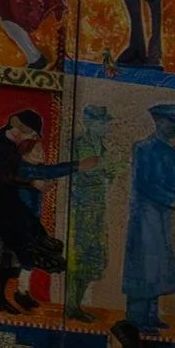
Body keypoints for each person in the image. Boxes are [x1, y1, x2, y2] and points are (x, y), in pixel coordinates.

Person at [0, 109, 76, 315]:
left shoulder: (12, 147)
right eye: (30, 135)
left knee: (20, 255)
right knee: (7, 256)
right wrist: (33, 181)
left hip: (18, 210)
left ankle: (17, 294)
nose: (36, 146)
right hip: (7, 209)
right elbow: (7, 176)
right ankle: (1, 298)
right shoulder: (1, 146)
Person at [122, 103, 175, 332]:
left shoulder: (171, 152)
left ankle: (151, 315)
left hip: (162, 218)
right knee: (143, 268)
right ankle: (136, 319)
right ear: (159, 122)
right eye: (171, 122)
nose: (174, 127)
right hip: (145, 218)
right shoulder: (143, 148)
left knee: (158, 267)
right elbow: (145, 184)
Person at [65, 105, 115, 322]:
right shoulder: (78, 145)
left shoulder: (102, 148)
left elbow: (108, 176)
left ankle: (76, 304)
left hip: (96, 209)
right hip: (81, 209)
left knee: (93, 259)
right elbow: (77, 174)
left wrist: (107, 174)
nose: (106, 126)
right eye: (102, 121)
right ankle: (71, 305)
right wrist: (101, 173)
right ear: (90, 122)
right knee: (78, 257)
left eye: (106, 121)